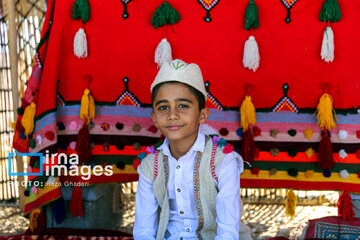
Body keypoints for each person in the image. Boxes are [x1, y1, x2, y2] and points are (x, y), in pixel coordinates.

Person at [133, 59, 251, 240]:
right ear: (155, 118)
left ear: (202, 115)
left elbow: (228, 232)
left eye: (183, 106)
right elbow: (144, 230)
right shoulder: (150, 165)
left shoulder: (223, 161)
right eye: (163, 107)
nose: (172, 115)